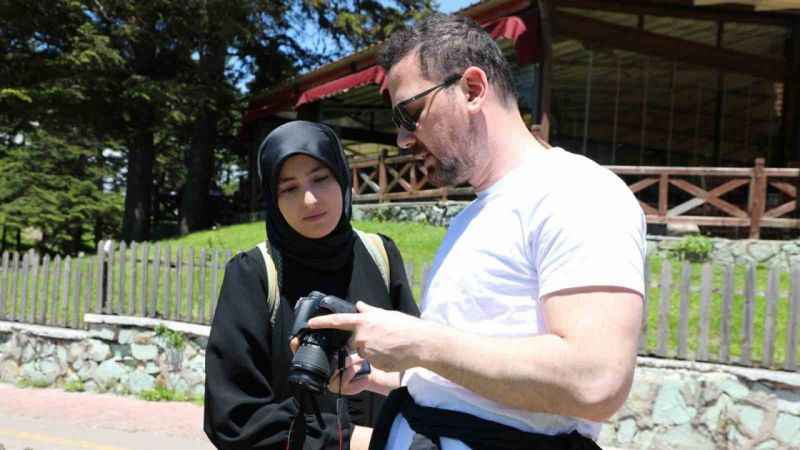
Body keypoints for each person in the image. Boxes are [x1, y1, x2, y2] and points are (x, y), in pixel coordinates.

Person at [303, 13, 646, 450]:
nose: (403, 140)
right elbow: (464, 379)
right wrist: (373, 372)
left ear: (472, 89)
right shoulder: (475, 214)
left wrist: (419, 341)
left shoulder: (579, 192)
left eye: (410, 113)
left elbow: (597, 382)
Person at [204, 120, 420, 450]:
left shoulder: (381, 255)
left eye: (321, 179)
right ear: (273, 200)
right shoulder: (253, 273)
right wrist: (353, 442)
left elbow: (419, 373)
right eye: (289, 188)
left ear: (343, 179)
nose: (309, 200)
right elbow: (234, 418)